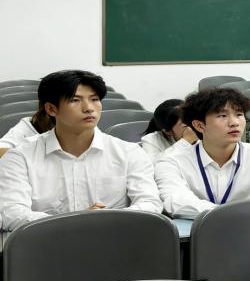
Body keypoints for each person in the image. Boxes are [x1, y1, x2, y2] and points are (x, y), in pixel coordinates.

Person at [0, 70, 161, 229]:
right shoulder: (20, 157)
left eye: (94, 99)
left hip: (114, 238)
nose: (89, 108)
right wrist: (79, 221)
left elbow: (150, 203)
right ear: (51, 109)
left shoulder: (129, 153)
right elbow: (11, 213)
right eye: (75, 100)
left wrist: (108, 219)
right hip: (48, 242)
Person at [155, 88, 250, 218]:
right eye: (222, 115)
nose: (234, 122)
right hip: (197, 234)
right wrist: (231, 215)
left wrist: (231, 215)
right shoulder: (172, 161)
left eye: (239, 114)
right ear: (199, 125)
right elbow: (175, 201)